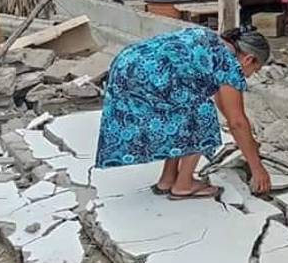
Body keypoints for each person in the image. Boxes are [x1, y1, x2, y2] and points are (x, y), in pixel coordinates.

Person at [94, 26, 272, 199]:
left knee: (183, 112)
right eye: (254, 71)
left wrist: (247, 141)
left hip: (127, 65)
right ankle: (184, 184)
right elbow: (237, 122)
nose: (249, 76)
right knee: (202, 115)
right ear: (248, 59)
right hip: (146, 76)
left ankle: (167, 179)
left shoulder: (213, 42)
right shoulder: (229, 64)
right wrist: (257, 169)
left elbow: (227, 108)